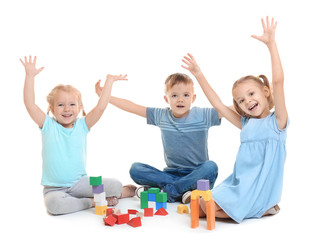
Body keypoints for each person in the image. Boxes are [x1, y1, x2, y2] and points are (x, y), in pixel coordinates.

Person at [182, 16, 288, 223]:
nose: (247, 101)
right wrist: (198, 74)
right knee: (203, 208)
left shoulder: (278, 122)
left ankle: (264, 207)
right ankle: (258, 208)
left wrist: (271, 44)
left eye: (251, 94)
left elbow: (279, 81)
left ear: (266, 92)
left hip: (261, 186)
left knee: (210, 208)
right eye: (241, 100)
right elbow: (219, 105)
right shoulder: (246, 124)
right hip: (240, 184)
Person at [21, 56, 136, 215]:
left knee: (115, 184)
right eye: (61, 105)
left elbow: (100, 108)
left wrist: (109, 82)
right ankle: (91, 201)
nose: (67, 109)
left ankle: (119, 192)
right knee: (54, 206)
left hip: (80, 184)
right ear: (52, 109)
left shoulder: (82, 126)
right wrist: (29, 77)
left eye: (72, 104)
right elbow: (29, 104)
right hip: (54, 189)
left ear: (80, 107)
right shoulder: (48, 125)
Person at [95, 72, 221, 203]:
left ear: (193, 98)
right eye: (174, 95)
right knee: (136, 169)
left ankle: (169, 192)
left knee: (211, 167)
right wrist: (104, 96)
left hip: (197, 176)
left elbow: (226, 109)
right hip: (169, 174)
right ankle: (181, 190)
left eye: (186, 95)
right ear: (166, 99)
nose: (180, 99)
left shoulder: (203, 115)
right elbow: (132, 107)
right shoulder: (162, 115)